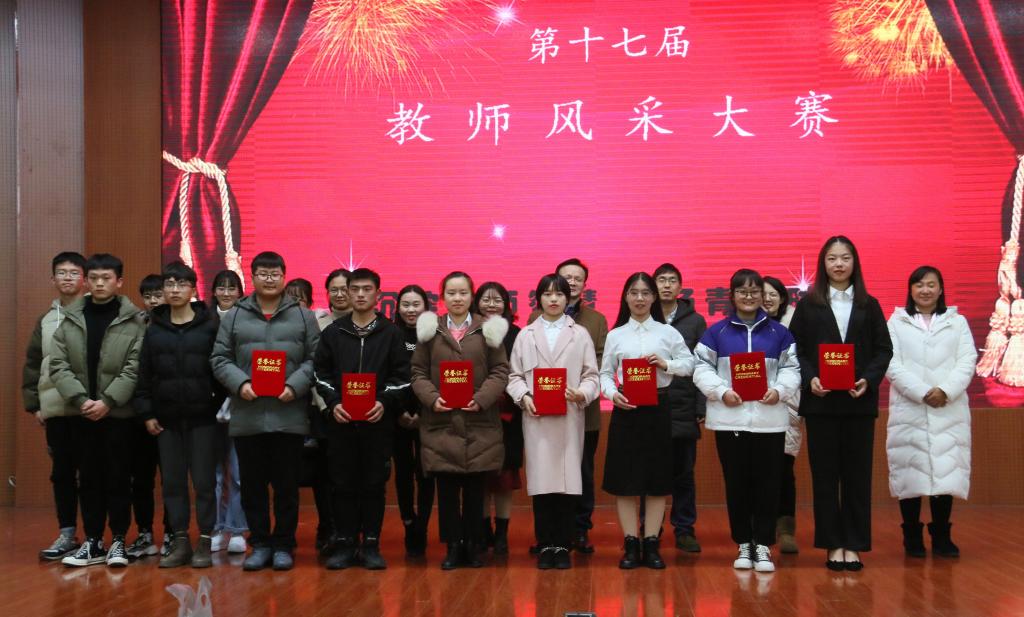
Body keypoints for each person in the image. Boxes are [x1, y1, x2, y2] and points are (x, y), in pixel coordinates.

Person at [788, 236, 893, 571]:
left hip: (857, 402)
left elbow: (884, 350)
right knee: (825, 476)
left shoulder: (869, 304)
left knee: (857, 477)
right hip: (821, 404)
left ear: (854, 263)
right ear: (823, 264)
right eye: (832, 258)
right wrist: (810, 378)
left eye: (845, 258)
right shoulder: (808, 305)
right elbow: (795, 349)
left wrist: (869, 379)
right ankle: (833, 544)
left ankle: (855, 544)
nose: (838, 264)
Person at [210, 251, 320, 571]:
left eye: (274, 274)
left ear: (284, 277)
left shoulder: (303, 316)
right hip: (248, 415)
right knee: (253, 487)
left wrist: (295, 386)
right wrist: (241, 383)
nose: (269, 279)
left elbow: (316, 359)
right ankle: (259, 544)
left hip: (289, 415)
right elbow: (219, 358)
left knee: (286, 488)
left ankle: (283, 545)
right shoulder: (235, 315)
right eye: (263, 274)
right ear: (253, 277)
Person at [693, 269, 801, 573]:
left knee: (768, 484)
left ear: (763, 296)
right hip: (730, 420)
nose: (749, 296)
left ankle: (763, 544)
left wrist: (779, 391)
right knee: (737, 483)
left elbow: (792, 369)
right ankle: (743, 542)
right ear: (732, 296)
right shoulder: (717, 332)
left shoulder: (780, 333)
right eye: (742, 291)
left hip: (770, 420)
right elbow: (701, 368)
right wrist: (721, 392)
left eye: (755, 291)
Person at [50, 253, 146, 568]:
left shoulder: (135, 320)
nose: (99, 284)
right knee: (88, 479)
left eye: (106, 278)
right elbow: (58, 365)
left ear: (119, 282)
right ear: (86, 281)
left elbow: (135, 367)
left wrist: (108, 401)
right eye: (94, 278)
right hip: (82, 414)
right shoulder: (71, 318)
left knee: (119, 477)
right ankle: (93, 541)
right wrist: (81, 400)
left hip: (118, 415)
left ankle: (118, 540)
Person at [411, 271, 510, 570]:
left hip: (479, 421)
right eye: (451, 293)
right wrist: (432, 398)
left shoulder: (488, 330)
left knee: (476, 490)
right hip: (441, 421)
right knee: (447, 491)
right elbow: (417, 372)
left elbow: (500, 371)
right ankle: (453, 547)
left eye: (463, 293)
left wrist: (481, 399)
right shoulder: (430, 330)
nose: (457, 298)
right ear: (442, 296)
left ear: (472, 296)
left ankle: (473, 546)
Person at [314, 268, 411, 570]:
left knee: (373, 484)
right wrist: (333, 403)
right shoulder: (334, 332)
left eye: (366, 289)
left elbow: (402, 376)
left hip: (377, 423)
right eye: (353, 289)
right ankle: (345, 544)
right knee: (341, 483)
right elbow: (320, 374)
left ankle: (370, 544)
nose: (359, 294)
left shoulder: (391, 333)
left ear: (378, 295)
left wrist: (384, 401)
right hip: (341, 422)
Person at [600, 272, 694, 569]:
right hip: (626, 409)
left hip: (659, 408)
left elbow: (689, 364)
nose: (639, 298)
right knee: (625, 480)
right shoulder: (615, 335)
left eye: (645, 293)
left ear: (654, 297)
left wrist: (667, 364)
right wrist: (612, 394)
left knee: (657, 480)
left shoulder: (668, 333)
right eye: (634, 292)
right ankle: (631, 543)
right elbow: (604, 374)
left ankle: (651, 543)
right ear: (625, 297)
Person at [507, 274, 600, 569]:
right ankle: (545, 544)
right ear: (539, 299)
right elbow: (514, 376)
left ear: (567, 298)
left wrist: (581, 393)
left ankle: (563, 545)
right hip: (537, 418)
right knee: (543, 485)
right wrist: (524, 397)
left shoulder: (580, 334)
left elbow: (592, 376)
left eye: (559, 293)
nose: (553, 299)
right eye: (547, 294)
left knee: (566, 484)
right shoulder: (526, 335)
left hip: (569, 417)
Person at [134, 261, 224, 568]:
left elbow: (220, 371)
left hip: (203, 418)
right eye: (169, 284)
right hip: (166, 420)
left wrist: (215, 405)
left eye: (181, 284)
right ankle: (181, 542)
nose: (174, 290)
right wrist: (147, 412)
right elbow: (143, 375)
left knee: (204, 483)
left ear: (193, 289)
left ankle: (205, 541)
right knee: (172, 484)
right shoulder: (154, 329)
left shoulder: (210, 326)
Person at [885, 266, 976, 558]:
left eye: (931, 284)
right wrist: (923, 391)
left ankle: (941, 536)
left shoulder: (957, 322)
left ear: (941, 289)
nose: (925, 290)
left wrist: (945, 391)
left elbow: (967, 360)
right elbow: (890, 362)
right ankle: (911, 536)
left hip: (948, 407)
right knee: (909, 473)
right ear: (910, 289)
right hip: (910, 407)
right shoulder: (896, 322)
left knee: (945, 470)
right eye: (919, 285)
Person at [527, 258, 608, 553]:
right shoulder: (533, 321)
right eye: (565, 278)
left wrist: (579, 389)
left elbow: (599, 362)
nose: (571, 282)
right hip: (543, 411)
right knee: (546, 472)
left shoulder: (595, 321)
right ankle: (549, 537)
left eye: (577, 278)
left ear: (584, 284)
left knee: (580, 472)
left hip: (580, 410)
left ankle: (579, 531)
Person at [22, 252, 86, 561]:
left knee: (94, 474)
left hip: (90, 409)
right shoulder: (46, 320)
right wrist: (35, 405)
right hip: (56, 409)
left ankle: (97, 536)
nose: (68, 278)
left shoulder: (95, 313)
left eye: (74, 272)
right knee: (62, 474)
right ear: (53, 279)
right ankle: (67, 533)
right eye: (62, 273)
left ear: (85, 279)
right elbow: (33, 364)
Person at [653, 263, 706, 553]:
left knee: (684, 473)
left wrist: (701, 405)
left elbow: (703, 365)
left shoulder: (695, 321)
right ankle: (651, 528)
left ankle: (684, 528)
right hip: (650, 404)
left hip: (684, 405)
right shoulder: (644, 317)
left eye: (672, 280)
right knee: (651, 471)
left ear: (680, 287)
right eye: (661, 280)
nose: (666, 285)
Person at [286, 276, 335, 553]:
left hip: (317, 409)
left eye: (300, 299)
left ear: (310, 301)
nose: (295, 304)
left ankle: (327, 527)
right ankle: (285, 535)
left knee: (322, 476)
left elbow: (319, 369)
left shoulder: (321, 325)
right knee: (286, 477)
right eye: (290, 298)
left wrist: (324, 404)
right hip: (284, 409)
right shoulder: (273, 326)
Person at [473, 282, 522, 555]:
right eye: (486, 299)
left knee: (504, 479)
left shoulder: (517, 334)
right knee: (480, 477)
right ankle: (483, 531)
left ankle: (502, 533)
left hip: (507, 416)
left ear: (507, 304)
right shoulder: (468, 331)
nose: (491, 305)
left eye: (498, 300)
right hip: (476, 413)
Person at [123, 274, 168, 560]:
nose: (153, 300)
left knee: (172, 480)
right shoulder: (133, 325)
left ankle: (173, 534)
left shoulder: (178, 323)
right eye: (148, 296)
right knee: (141, 479)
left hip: (171, 414)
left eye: (157, 294)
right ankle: (145, 534)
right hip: (138, 414)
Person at [391, 284, 436, 557]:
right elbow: (387, 375)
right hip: (397, 416)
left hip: (428, 415)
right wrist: (399, 411)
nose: (411, 310)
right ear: (397, 308)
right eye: (405, 305)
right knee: (403, 473)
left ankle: (423, 526)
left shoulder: (434, 336)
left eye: (416, 304)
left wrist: (422, 410)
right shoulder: (390, 334)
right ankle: (408, 522)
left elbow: (436, 375)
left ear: (425, 307)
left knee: (426, 472)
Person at [208, 270, 248, 555]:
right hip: (209, 407)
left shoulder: (249, 320)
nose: (226, 293)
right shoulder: (204, 321)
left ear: (240, 292)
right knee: (214, 475)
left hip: (243, 403)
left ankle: (237, 529)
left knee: (238, 474)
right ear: (213, 292)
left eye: (231, 288)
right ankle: (215, 528)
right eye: (221, 288)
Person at [763, 275, 801, 554]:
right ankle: (760, 528)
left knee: (784, 470)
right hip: (753, 404)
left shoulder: (796, 324)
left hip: (787, 404)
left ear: (782, 297)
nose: (767, 299)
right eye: (762, 294)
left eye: (773, 294)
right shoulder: (741, 326)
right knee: (757, 471)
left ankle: (786, 529)